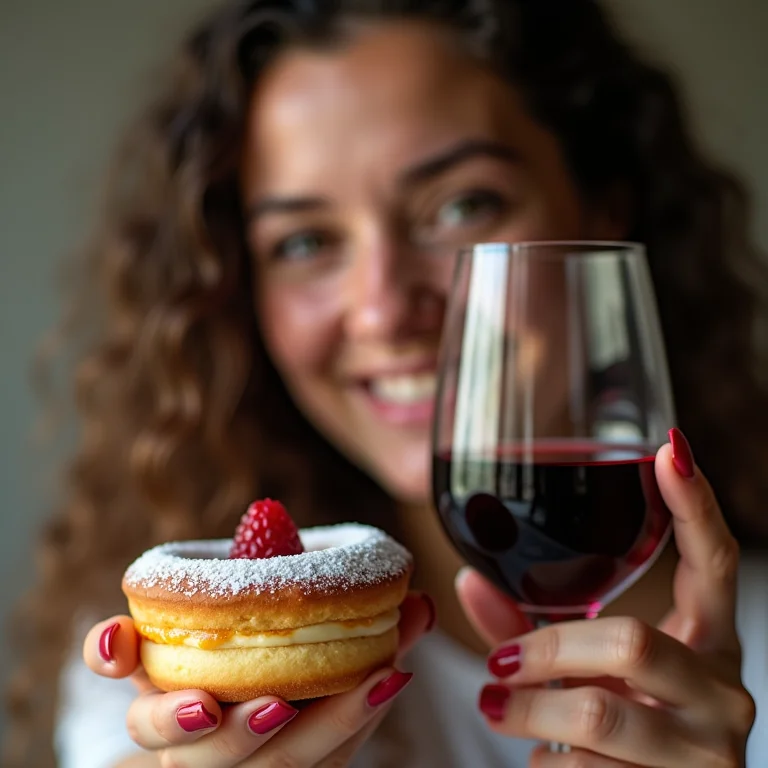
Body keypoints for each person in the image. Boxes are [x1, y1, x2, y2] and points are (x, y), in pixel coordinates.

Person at [5, 0, 768, 765]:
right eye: (306, 241)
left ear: (603, 210)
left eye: (463, 205)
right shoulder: (167, 681)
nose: (382, 311)